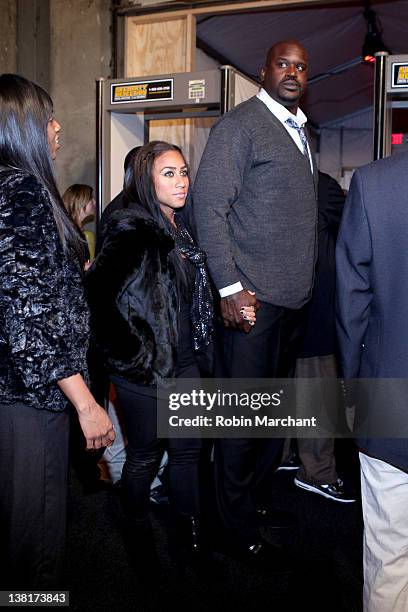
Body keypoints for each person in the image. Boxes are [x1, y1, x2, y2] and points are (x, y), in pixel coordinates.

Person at [85, 141, 239, 568]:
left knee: (189, 453)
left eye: (184, 172)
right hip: (145, 372)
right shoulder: (132, 226)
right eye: (169, 173)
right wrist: (133, 355)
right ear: (146, 181)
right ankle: (139, 539)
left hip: (186, 362)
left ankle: (190, 544)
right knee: (145, 457)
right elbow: (96, 298)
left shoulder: (179, 225)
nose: (182, 181)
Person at [193, 39, 317, 565]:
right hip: (252, 304)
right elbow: (207, 204)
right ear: (263, 71)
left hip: (291, 305)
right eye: (283, 64)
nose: (292, 72)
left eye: (301, 67)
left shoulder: (299, 129)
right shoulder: (241, 126)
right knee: (241, 424)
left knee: (272, 421)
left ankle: (255, 506)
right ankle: (231, 527)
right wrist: (228, 285)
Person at [0, 73, 115, 590]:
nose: (57, 128)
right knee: (36, 547)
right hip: (30, 397)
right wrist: (86, 403)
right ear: (22, 128)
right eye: (47, 118)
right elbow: (32, 315)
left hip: (12, 394)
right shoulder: (22, 191)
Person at [336, 152, 408, 611]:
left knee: (389, 550)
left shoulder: (375, 183)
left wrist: (351, 386)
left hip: (388, 393)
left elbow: (352, 301)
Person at [287, 172, 355, 503]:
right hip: (312, 314)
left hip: (280, 313)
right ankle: (317, 472)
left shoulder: (261, 181)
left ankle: (289, 457)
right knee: (316, 393)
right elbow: (354, 233)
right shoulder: (320, 184)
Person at [62, 183, 96, 262]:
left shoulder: (77, 230)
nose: (94, 202)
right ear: (81, 201)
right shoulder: (67, 232)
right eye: (91, 198)